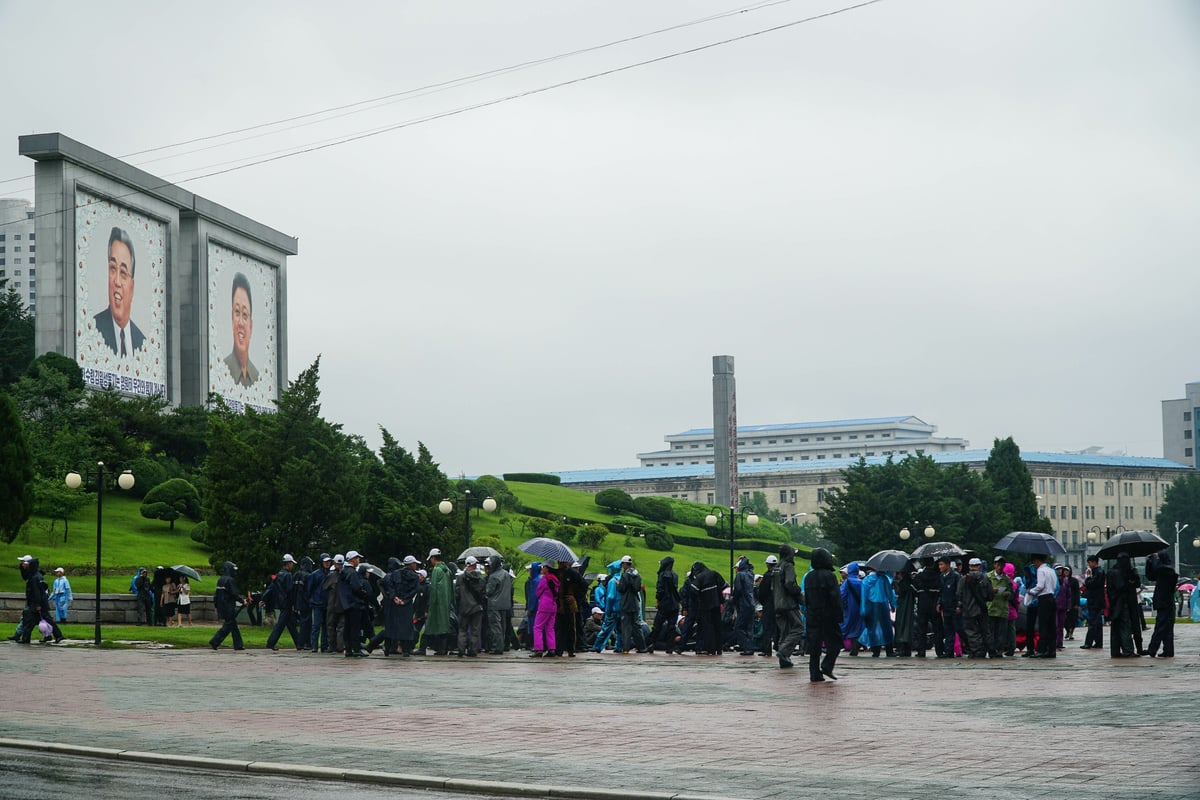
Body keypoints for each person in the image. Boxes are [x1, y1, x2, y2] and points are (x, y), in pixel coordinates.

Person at [93, 227, 144, 356]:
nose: (117, 282)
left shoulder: (142, 342)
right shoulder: (93, 329)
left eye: (123, 272)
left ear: (132, 287)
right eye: (112, 269)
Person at [803, 547, 843, 682]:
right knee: (836, 642)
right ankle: (827, 665)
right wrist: (839, 615)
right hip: (828, 614)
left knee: (814, 645)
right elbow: (835, 598)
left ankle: (814, 673)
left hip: (813, 614)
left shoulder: (809, 577)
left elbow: (806, 598)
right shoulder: (829, 576)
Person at [223, 272, 259, 386]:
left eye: (245, 315)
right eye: (237, 312)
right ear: (232, 318)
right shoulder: (223, 370)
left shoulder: (257, 377)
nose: (241, 323)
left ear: (251, 325)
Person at [773, 545, 805, 669]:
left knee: (784, 631)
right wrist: (798, 591)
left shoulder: (776, 567)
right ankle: (784, 652)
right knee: (799, 628)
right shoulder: (788, 566)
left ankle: (784, 660)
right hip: (789, 604)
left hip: (777, 604)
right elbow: (789, 583)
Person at [265, 554, 302, 651]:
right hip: (287, 602)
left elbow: (271, 588)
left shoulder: (279, 574)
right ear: (288, 564)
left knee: (290, 624)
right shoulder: (288, 575)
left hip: (281, 602)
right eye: (292, 563)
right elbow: (290, 590)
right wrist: (294, 603)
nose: (292, 565)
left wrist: (263, 598)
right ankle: (271, 642)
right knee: (281, 624)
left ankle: (299, 643)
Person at [958, 558, 993, 658]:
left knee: (972, 632)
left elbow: (958, 594)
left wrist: (961, 605)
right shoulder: (985, 578)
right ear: (979, 566)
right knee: (986, 630)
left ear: (969, 566)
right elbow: (990, 596)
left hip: (968, 610)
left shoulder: (964, 579)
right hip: (982, 608)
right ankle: (991, 651)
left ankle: (977, 652)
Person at [1107, 553, 1140, 658]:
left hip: (1115, 603)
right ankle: (1128, 650)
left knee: (1116, 628)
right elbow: (1122, 587)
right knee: (1125, 627)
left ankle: (1115, 650)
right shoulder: (1119, 573)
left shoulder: (1112, 571)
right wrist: (1130, 581)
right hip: (1122, 603)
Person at [338, 551, 371, 657]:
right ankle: (356, 649)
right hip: (354, 603)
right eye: (357, 558)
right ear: (353, 559)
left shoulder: (343, 571)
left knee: (347, 627)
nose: (359, 560)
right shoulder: (352, 572)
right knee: (355, 628)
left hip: (346, 603)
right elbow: (356, 587)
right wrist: (364, 594)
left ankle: (348, 649)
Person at [1026, 553, 1059, 658]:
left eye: (1034, 562)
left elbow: (1040, 586)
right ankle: (1051, 650)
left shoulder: (1040, 570)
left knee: (1043, 625)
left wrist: (1031, 591)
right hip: (1051, 597)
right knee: (1051, 625)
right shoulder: (1051, 570)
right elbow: (1054, 585)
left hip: (1043, 598)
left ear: (1037, 561)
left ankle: (1042, 649)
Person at [1145, 550, 1177, 658]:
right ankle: (1168, 650)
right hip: (1165, 602)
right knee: (1167, 627)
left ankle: (1152, 649)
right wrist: (1149, 563)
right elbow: (1151, 576)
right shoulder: (1165, 570)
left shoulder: (1166, 570)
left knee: (1161, 626)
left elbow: (1158, 569)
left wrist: (1154, 559)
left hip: (1165, 602)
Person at [860, 563, 897, 657]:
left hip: (871, 605)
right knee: (886, 627)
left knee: (872, 627)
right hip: (883, 605)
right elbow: (889, 593)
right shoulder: (884, 579)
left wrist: (863, 608)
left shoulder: (866, 580)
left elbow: (863, 595)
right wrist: (893, 605)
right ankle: (889, 650)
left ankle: (875, 650)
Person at [209, 561, 246, 651]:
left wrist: (216, 605)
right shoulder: (230, 580)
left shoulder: (220, 579)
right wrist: (242, 601)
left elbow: (216, 594)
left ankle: (238, 645)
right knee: (229, 624)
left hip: (222, 606)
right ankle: (215, 641)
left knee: (233, 625)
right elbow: (234, 594)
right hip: (228, 606)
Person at [647, 556, 681, 654]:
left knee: (657, 625)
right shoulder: (675, 575)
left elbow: (660, 589)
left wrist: (658, 601)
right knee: (672, 626)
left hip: (665, 603)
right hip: (674, 603)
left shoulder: (662, 575)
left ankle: (651, 644)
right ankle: (670, 647)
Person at [911, 558, 942, 658]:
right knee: (937, 629)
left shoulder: (919, 576)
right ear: (933, 564)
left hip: (922, 605)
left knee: (922, 629)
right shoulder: (938, 576)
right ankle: (939, 651)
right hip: (934, 605)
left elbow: (914, 590)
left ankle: (921, 651)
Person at [424, 549, 454, 656]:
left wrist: (430, 604)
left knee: (434, 625)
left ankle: (434, 648)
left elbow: (434, 588)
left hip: (437, 603)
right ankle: (444, 648)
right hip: (446, 602)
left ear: (433, 558)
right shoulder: (448, 570)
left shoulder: (436, 570)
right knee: (444, 625)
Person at [456, 556, 486, 657]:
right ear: (474, 565)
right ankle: (473, 650)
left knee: (462, 629)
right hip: (477, 608)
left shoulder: (460, 578)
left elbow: (457, 594)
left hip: (464, 607)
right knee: (475, 630)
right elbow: (482, 593)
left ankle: (461, 649)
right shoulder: (480, 579)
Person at [616, 555, 647, 653]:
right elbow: (637, 588)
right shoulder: (637, 574)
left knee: (626, 627)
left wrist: (618, 584)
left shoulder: (625, 575)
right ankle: (642, 647)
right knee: (637, 626)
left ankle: (626, 649)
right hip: (635, 602)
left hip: (626, 603)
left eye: (622, 564)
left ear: (625, 564)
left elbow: (622, 589)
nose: (622, 566)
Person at [485, 555, 514, 655]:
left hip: (494, 604)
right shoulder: (506, 574)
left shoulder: (493, 576)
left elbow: (488, 591)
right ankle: (500, 646)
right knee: (503, 627)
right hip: (505, 604)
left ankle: (497, 647)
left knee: (495, 627)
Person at [935, 557, 963, 658]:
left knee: (959, 628)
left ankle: (969, 648)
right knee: (948, 630)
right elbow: (941, 591)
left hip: (954, 606)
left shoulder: (956, 576)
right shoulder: (941, 576)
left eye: (941, 564)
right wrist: (939, 603)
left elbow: (959, 592)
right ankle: (948, 651)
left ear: (947, 565)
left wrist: (959, 605)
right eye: (939, 565)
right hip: (945, 607)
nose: (940, 567)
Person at [986, 557, 1013, 659]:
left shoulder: (1007, 579)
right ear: (994, 565)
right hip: (991, 609)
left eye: (1002, 565)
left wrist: (1008, 593)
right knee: (991, 632)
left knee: (1002, 633)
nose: (1000, 567)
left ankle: (999, 651)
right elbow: (982, 592)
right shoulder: (988, 577)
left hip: (1002, 610)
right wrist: (990, 591)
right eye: (998, 564)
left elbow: (1012, 594)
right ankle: (991, 650)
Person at [530, 562, 559, 657]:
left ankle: (538, 649)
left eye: (543, 567)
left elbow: (538, 592)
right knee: (550, 628)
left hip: (544, 605)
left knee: (537, 627)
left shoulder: (545, 579)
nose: (542, 569)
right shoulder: (555, 580)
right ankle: (552, 648)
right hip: (553, 605)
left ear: (547, 568)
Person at [731, 556, 756, 655]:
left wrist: (733, 601)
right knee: (749, 627)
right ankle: (750, 647)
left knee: (738, 627)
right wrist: (744, 558)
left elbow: (738, 590)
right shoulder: (750, 574)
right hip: (751, 604)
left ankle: (747, 647)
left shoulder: (740, 575)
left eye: (736, 568)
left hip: (743, 604)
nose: (735, 570)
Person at [755, 554, 778, 657]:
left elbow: (762, 592)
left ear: (768, 564)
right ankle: (779, 647)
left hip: (769, 604)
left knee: (767, 628)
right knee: (778, 627)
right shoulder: (780, 574)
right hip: (780, 603)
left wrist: (763, 602)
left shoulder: (768, 575)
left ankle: (767, 650)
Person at [840, 562, 866, 656]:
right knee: (857, 628)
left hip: (849, 608)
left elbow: (842, 595)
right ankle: (855, 647)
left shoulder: (847, 582)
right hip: (860, 608)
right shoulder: (861, 582)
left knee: (846, 626)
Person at [1080, 555, 1105, 650]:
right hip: (1097, 600)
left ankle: (1088, 642)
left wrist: (1088, 578)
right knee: (1097, 623)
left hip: (1095, 600)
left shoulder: (1097, 572)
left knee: (1093, 622)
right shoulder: (1099, 572)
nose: (1089, 565)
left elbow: (1091, 584)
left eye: (1089, 563)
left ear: (1094, 562)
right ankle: (1098, 642)